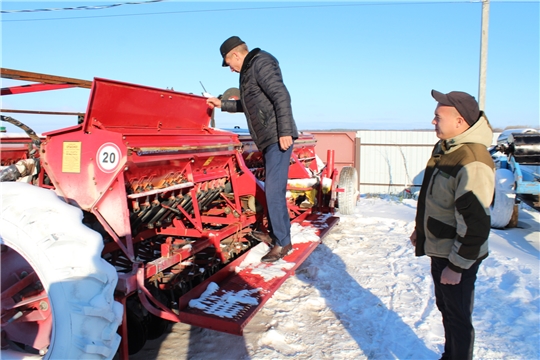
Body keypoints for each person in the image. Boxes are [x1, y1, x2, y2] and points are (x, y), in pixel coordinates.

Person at [410, 90, 495, 360]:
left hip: (458, 255)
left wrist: (457, 267)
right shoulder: (447, 148)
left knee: (458, 318)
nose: (432, 121)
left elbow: (476, 224)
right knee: (446, 309)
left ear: (459, 121)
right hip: (442, 247)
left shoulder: (472, 161)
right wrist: (420, 231)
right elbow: (437, 199)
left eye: (438, 117)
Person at [206, 36, 298, 263]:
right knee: (272, 190)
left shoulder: (261, 62)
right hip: (268, 138)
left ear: (236, 55)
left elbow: (281, 95)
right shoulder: (249, 72)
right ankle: (279, 235)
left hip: (277, 136)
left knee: (274, 191)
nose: (230, 69)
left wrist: (285, 131)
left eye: (229, 63)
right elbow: (247, 105)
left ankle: (283, 243)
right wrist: (221, 104)